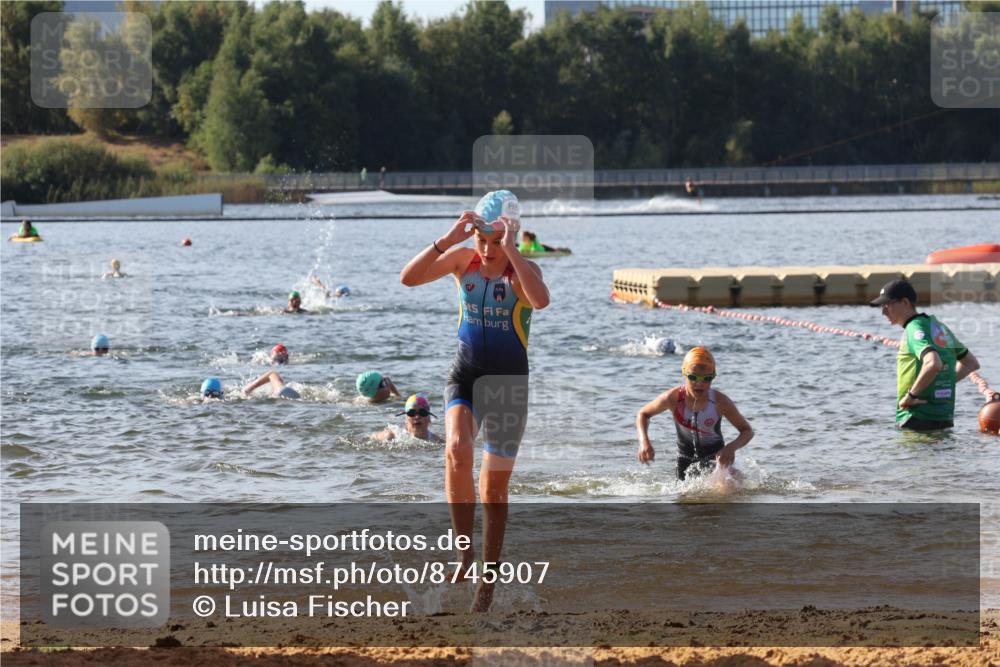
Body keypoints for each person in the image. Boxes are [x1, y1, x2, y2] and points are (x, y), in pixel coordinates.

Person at [400, 189, 550, 612]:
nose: (486, 250)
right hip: (465, 377)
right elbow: (407, 278)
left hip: (507, 388)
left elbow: (540, 300)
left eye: (494, 240)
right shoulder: (462, 260)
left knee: (492, 492)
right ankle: (464, 553)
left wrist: (512, 249)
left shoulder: (522, 272)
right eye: (481, 239)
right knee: (455, 450)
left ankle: (488, 579)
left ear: (510, 234)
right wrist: (447, 239)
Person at [870, 278, 980, 430]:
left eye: (887, 305)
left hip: (916, 418)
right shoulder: (939, 327)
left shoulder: (914, 328)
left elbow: (933, 363)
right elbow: (971, 363)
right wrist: (936, 386)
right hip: (944, 419)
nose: (883, 311)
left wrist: (911, 396)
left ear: (905, 302)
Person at [636, 347, 754, 480]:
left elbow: (747, 431)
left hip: (716, 460)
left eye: (707, 378)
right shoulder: (672, 398)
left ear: (713, 377)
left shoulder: (720, 402)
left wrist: (731, 447)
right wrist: (644, 442)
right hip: (684, 461)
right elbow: (643, 414)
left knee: (735, 487)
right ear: (684, 374)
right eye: (693, 377)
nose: (700, 384)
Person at [371, 394, 443, 443]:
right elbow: (372, 437)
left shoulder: (436, 441)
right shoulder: (394, 436)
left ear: (429, 418)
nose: (417, 417)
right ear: (406, 419)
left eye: (422, 412)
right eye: (411, 413)